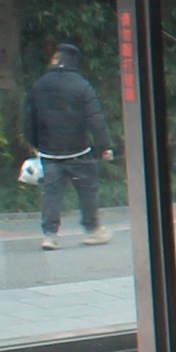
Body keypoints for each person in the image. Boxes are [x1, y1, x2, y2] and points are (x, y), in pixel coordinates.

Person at [25, 41, 113, 249]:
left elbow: (28, 118)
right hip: (78, 151)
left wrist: (34, 143)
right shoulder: (82, 85)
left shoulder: (40, 84)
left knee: (51, 194)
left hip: (50, 152)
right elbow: (95, 119)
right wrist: (104, 146)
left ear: (57, 60)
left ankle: (50, 235)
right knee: (87, 191)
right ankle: (92, 231)